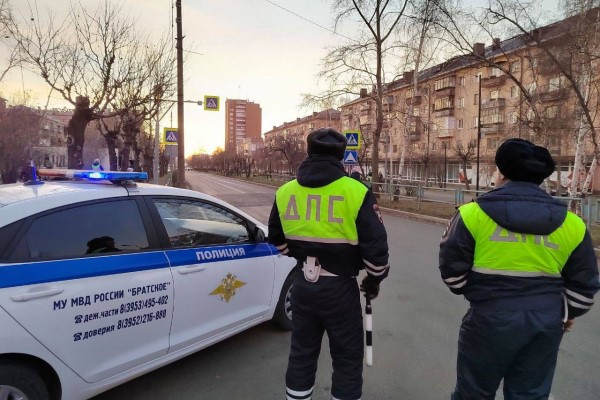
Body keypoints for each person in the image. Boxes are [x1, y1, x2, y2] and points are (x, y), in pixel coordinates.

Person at [439, 138, 600, 400]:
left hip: (487, 320)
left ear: (501, 173)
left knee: (473, 393)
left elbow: (453, 276)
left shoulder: (471, 214)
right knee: (530, 395)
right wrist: (562, 312)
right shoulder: (573, 224)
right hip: (545, 325)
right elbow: (584, 288)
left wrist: (488, 297)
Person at [268, 128, 390, 400]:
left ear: (309, 151)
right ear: (340, 155)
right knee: (347, 357)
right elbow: (376, 249)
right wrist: (374, 278)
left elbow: (276, 239)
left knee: (301, 353)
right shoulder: (356, 191)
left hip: (302, 285)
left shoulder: (285, 191)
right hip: (340, 288)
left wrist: (301, 257)